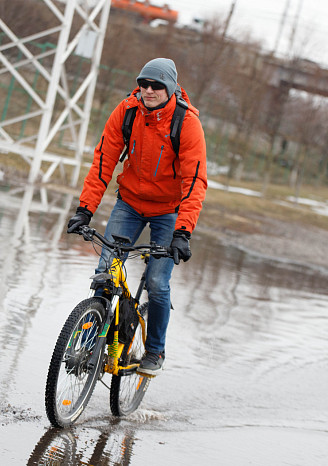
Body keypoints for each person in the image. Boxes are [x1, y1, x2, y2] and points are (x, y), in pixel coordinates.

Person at [67, 58, 207, 376]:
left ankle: (155, 350)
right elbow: (104, 159)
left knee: (157, 282)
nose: (148, 90)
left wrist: (182, 233)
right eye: (143, 83)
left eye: (156, 85)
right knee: (105, 273)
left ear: (170, 87)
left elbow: (194, 181)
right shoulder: (127, 111)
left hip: (168, 213)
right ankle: (88, 347)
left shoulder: (186, 124)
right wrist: (84, 210)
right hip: (129, 203)